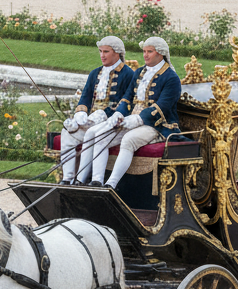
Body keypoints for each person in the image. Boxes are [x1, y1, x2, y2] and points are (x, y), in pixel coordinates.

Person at [86, 36, 181, 190]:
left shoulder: (171, 78)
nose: (145, 55)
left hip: (156, 125)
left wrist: (137, 119)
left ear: (161, 54)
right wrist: (119, 114)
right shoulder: (139, 72)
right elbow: (127, 98)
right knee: (102, 135)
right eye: (144, 51)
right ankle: (97, 181)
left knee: (129, 140)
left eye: (150, 51)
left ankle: (111, 184)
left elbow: (162, 107)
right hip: (131, 120)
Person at [59, 36, 134, 185]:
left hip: (109, 122)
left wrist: (105, 114)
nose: (102, 55)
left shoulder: (128, 74)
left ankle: (82, 179)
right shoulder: (95, 73)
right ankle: (67, 178)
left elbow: (126, 102)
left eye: (106, 51)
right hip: (90, 120)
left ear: (117, 53)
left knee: (92, 133)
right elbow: (85, 96)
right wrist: (81, 112)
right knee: (67, 133)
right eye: (100, 51)